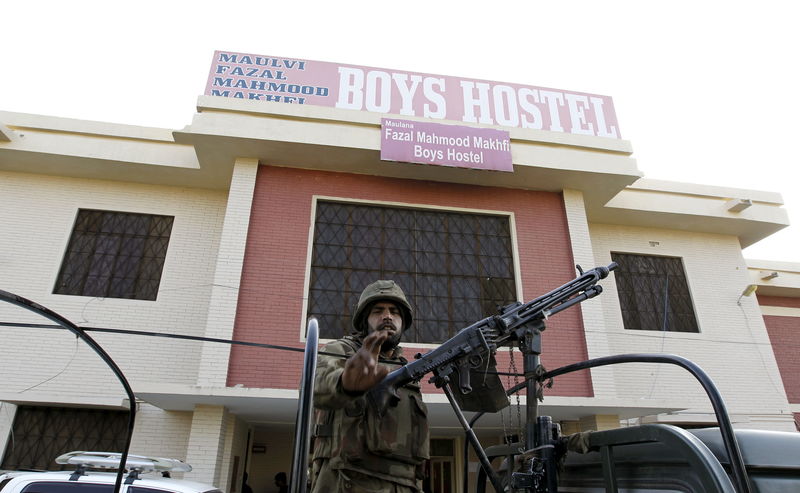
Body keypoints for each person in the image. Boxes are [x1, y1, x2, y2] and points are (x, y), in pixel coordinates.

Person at [310, 280, 429, 493]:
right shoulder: (341, 350)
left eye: (395, 311)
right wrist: (345, 384)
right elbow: (314, 386)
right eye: (378, 310)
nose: (388, 316)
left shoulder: (406, 370)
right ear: (364, 319)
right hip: (347, 480)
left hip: (405, 484)